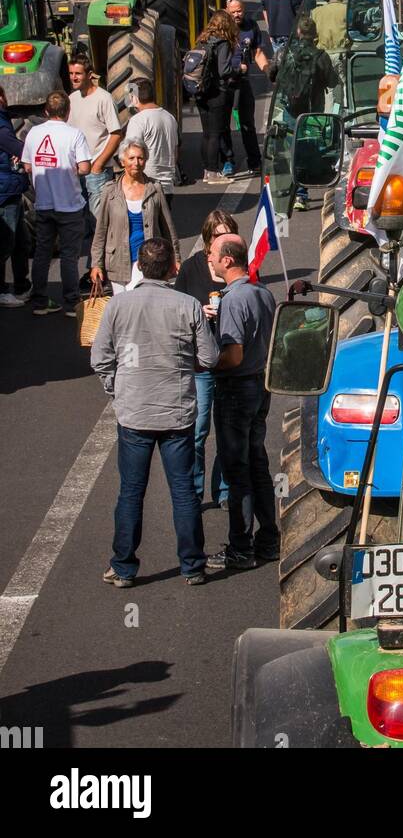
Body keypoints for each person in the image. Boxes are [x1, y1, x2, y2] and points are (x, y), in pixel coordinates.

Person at [91, 238, 220, 587]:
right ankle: (192, 565)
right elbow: (209, 358)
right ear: (172, 269)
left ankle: (123, 566)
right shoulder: (187, 305)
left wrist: (117, 389)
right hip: (176, 413)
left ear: (138, 266)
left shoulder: (119, 306)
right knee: (183, 491)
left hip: (134, 413)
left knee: (131, 492)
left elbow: (100, 358)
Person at [206, 236, 279, 571]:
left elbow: (232, 355)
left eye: (212, 254)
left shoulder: (233, 301)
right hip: (261, 386)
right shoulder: (263, 293)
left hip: (236, 390)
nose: (209, 258)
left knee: (238, 471)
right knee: (257, 463)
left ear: (226, 261)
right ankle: (269, 539)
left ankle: (240, 547)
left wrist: (206, 363)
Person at [176, 210, 238, 507]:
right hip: (200, 363)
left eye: (228, 234)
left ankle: (224, 491)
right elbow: (177, 309)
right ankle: (195, 491)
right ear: (207, 240)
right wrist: (198, 313)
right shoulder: (191, 269)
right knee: (198, 431)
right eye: (218, 235)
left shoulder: (240, 267)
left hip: (229, 361)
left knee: (227, 432)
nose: (223, 240)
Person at [21, 90, 91, 316]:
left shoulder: (33, 133)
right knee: (69, 255)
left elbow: (28, 166)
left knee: (42, 252)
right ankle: (71, 302)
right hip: (70, 205)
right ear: (68, 111)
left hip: (43, 204)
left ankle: (40, 300)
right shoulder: (74, 134)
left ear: (45, 112)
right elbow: (85, 168)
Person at [91, 139, 179, 292]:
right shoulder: (110, 191)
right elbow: (101, 231)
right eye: (131, 158)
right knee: (122, 308)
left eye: (140, 158)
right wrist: (96, 264)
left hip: (148, 261)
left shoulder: (155, 188)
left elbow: (168, 227)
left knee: (138, 304)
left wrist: (175, 258)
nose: (136, 163)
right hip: (117, 261)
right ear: (122, 161)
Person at [278, 17, 339, 209]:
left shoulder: (286, 53)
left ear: (298, 33)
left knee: (290, 149)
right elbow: (332, 82)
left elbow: (275, 75)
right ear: (315, 35)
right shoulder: (321, 56)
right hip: (312, 112)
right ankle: (301, 194)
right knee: (307, 149)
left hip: (290, 109)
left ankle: (290, 188)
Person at [67, 54, 122, 221]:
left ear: (89, 75)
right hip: (77, 170)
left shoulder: (103, 98)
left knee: (100, 221)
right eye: (71, 74)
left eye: (78, 74)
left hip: (98, 171)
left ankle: (104, 247)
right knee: (82, 220)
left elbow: (116, 134)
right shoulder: (72, 99)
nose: (73, 78)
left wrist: (98, 164)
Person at [221, 0, 269, 179]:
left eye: (239, 11)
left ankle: (255, 161)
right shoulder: (221, 28)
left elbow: (257, 52)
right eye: (233, 12)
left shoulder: (251, 26)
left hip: (243, 81)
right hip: (224, 83)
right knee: (224, 124)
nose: (236, 15)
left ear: (244, 9)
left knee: (248, 123)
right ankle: (227, 161)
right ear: (227, 12)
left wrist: (268, 72)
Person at [193, 11, 239, 185]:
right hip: (216, 92)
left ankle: (207, 170)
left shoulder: (202, 40)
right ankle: (213, 172)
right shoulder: (223, 43)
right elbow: (224, 70)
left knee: (206, 134)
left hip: (200, 91)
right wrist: (238, 70)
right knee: (215, 134)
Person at [124, 78, 179, 204]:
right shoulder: (170, 118)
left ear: (134, 98)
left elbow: (131, 155)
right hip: (167, 188)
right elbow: (175, 154)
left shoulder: (138, 120)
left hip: (145, 186)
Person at [0, 85, 30, 306]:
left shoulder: (4, 119)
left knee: (20, 240)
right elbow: (14, 146)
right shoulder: (0, 123)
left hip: (12, 187)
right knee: (5, 242)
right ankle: (1, 291)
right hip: (5, 190)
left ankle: (22, 285)